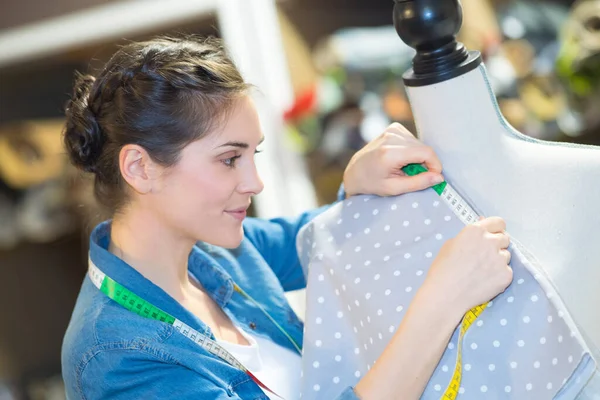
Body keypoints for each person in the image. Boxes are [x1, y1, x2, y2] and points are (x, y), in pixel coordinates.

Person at [61, 36, 512, 400]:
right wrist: (440, 304)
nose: (255, 183)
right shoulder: (117, 359)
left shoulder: (216, 252)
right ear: (140, 168)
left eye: (252, 155)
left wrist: (356, 186)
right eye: (229, 159)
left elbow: (312, 239)